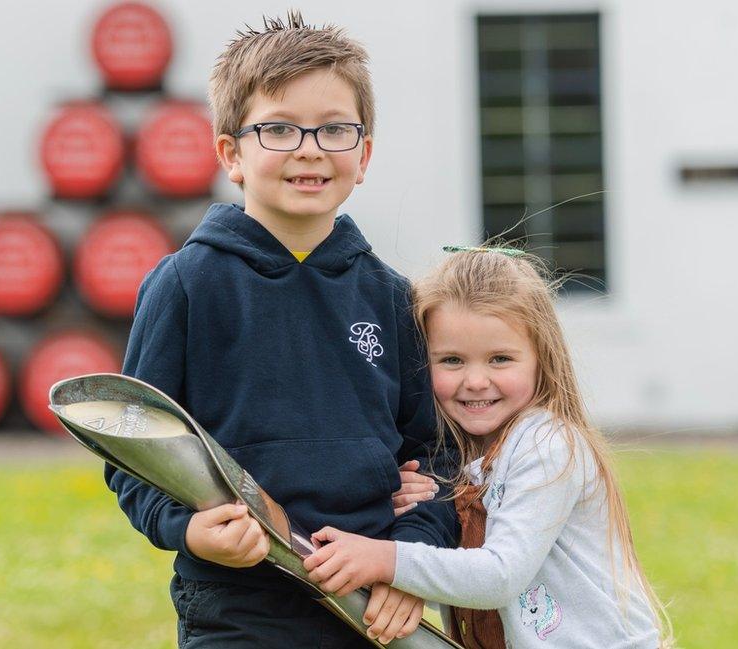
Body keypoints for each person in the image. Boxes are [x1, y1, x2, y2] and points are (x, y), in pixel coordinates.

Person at [106, 12, 457, 649]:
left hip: (373, 605)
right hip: (240, 609)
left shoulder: (392, 298)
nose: (309, 148)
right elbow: (133, 450)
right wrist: (189, 529)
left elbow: (435, 454)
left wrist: (408, 563)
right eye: (278, 128)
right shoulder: (187, 285)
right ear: (230, 154)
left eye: (334, 130)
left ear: (365, 154)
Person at [304, 247, 673, 648]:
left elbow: (500, 576)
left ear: (541, 359)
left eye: (499, 358)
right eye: (451, 360)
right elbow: (457, 578)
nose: (476, 380)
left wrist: (384, 558)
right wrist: (399, 503)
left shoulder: (547, 445)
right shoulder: (457, 459)